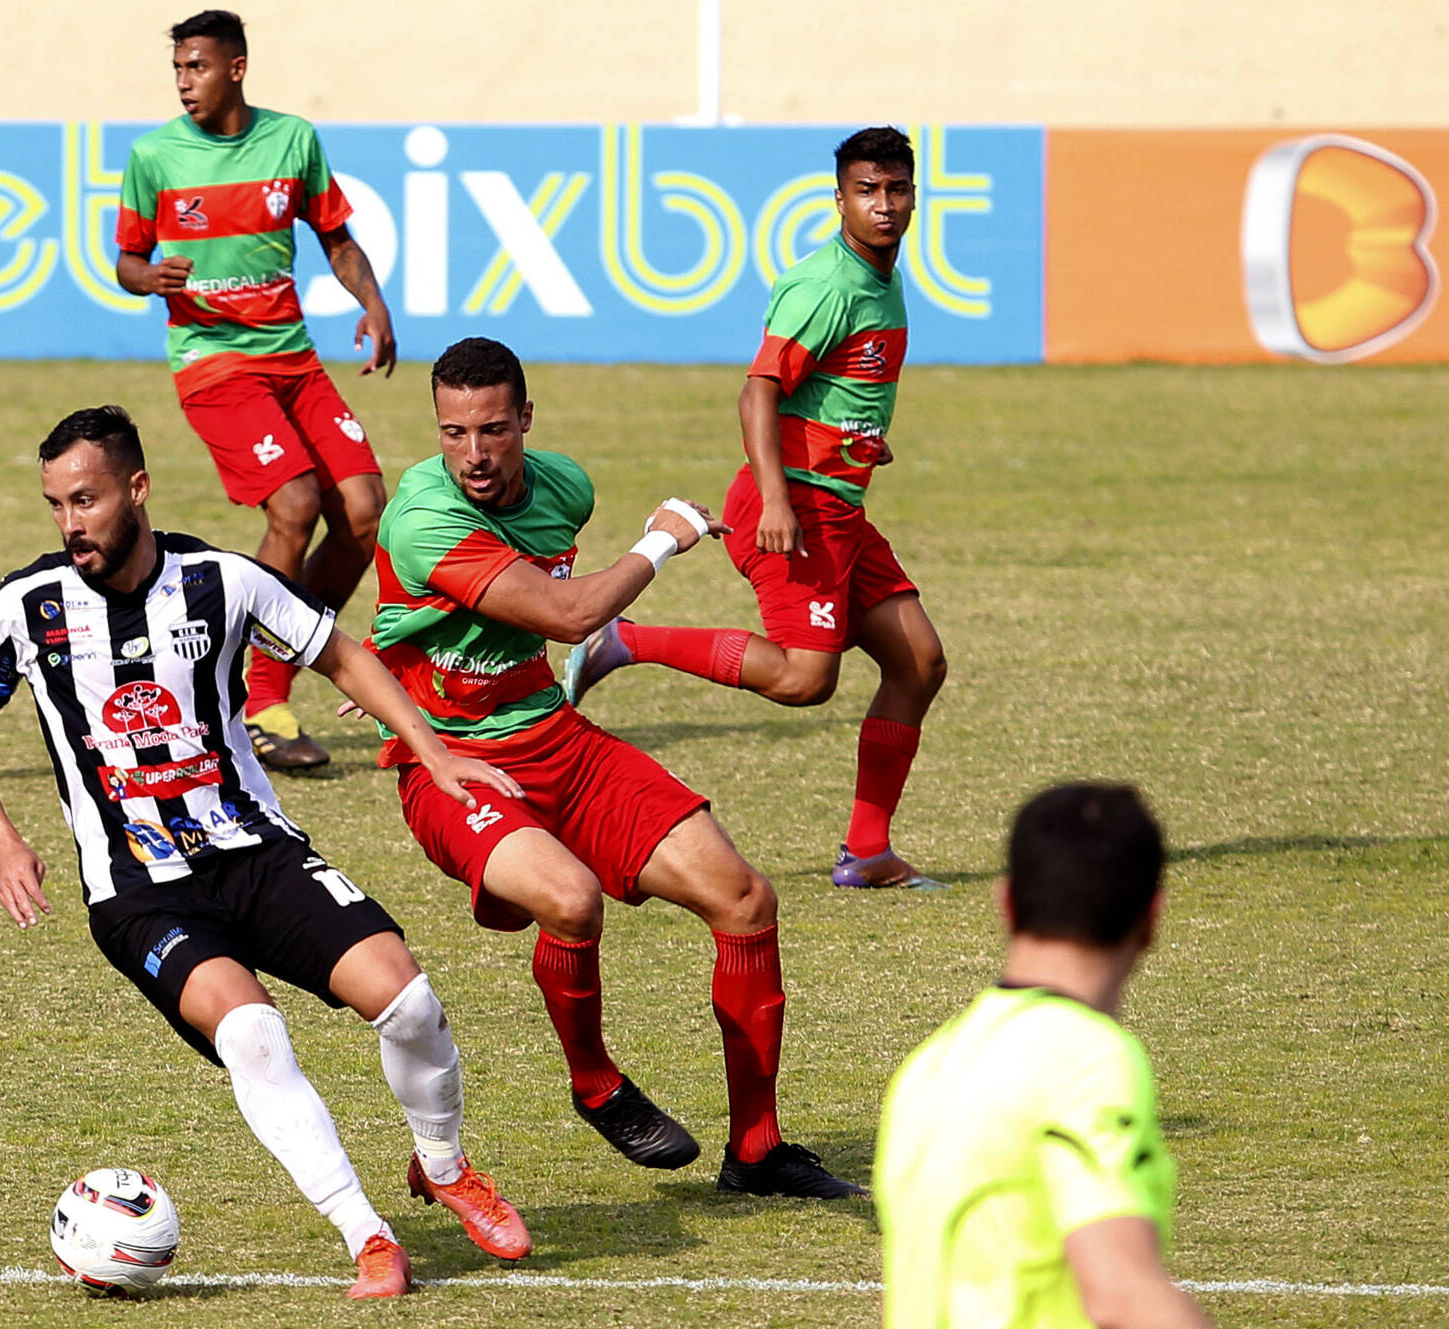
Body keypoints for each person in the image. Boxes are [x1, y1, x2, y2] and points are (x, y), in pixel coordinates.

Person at [0, 406, 530, 1300]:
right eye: (57, 504)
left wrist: (432, 747)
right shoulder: (27, 605)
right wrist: (1, 839)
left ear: (137, 488)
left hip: (252, 851)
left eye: (87, 500)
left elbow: (340, 653)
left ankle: (441, 1167)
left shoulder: (223, 581)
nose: (71, 524)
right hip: (138, 889)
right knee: (251, 1032)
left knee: (408, 1003)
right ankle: (366, 1235)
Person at [359, 337, 861, 1198]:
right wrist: (661, 540)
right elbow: (565, 613)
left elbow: (504, 599)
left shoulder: (565, 487)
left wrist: (414, 638)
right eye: (451, 433)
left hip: (556, 738)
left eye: (490, 429)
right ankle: (595, 1084)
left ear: (524, 419)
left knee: (743, 898)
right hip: (454, 764)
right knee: (570, 898)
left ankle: (758, 1149)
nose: (473, 454)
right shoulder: (422, 513)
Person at [564, 127, 946, 890]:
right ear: (838, 198)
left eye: (896, 189)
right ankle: (622, 640)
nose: (883, 205)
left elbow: (834, 386)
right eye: (866, 191)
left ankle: (867, 852)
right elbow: (758, 391)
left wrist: (861, 437)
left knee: (918, 661)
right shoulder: (827, 286)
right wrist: (775, 495)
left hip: (837, 502)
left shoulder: (881, 275)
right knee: (807, 680)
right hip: (796, 507)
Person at [114, 8, 397, 773]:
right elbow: (126, 262)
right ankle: (258, 695)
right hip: (211, 360)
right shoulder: (154, 156)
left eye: (196, 67)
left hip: (293, 360)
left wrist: (373, 303)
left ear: (235, 68)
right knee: (296, 503)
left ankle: (266, 682)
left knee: (366, 514)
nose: (183, 83)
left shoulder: (292, 140)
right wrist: (152, 277)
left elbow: (335, 237)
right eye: (177, 69)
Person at [875, 784, 1218, 1329]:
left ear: (1006, 904)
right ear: (1151, 917)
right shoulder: (1085, 1060)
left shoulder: (928, 1067)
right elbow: (1121, 1293)